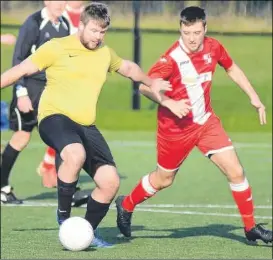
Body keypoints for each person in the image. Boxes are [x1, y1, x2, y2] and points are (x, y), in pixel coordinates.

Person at [0, 2, 171, 248]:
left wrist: (151, 81)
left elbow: (128, 68)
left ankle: (85, 232)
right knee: (75, 154)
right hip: (54, 117)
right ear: (81, 25)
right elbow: (20, 69)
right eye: (94, 31)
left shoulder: (104, 52)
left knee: (110, 181)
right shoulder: (57, 47)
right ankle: (63, 218)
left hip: (86, 125)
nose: (98, 37)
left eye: (103, 32)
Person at [115, 6, 272, 244]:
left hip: (206, 123)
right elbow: (144, 87)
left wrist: (253, 97)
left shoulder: (213, 47)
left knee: (236, 171)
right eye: (187, 32)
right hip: (174, 130)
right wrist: (168, 102)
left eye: (197, 32)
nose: (192, 38)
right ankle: (126, 204)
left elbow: (231, 67)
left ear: (205, 28)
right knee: (164, 180)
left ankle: (250, 228)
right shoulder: (171, 59)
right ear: (181, 29)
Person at [1, 1, 69, 204]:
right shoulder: (33, 23)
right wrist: (21, 93)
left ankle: (67, 190)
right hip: (29, 89)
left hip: (52, 91)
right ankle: (2, 186)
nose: (60, 4)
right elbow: (18, 59)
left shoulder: (64, 25)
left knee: (60, 137)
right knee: (21, 137)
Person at [37, 0, 86, 188]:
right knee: (60, 121)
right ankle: (54, 167)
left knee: (73, 121)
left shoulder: (88, 14)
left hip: (79, 77)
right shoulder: (59, 14)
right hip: (58, 77)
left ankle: (52, 164)